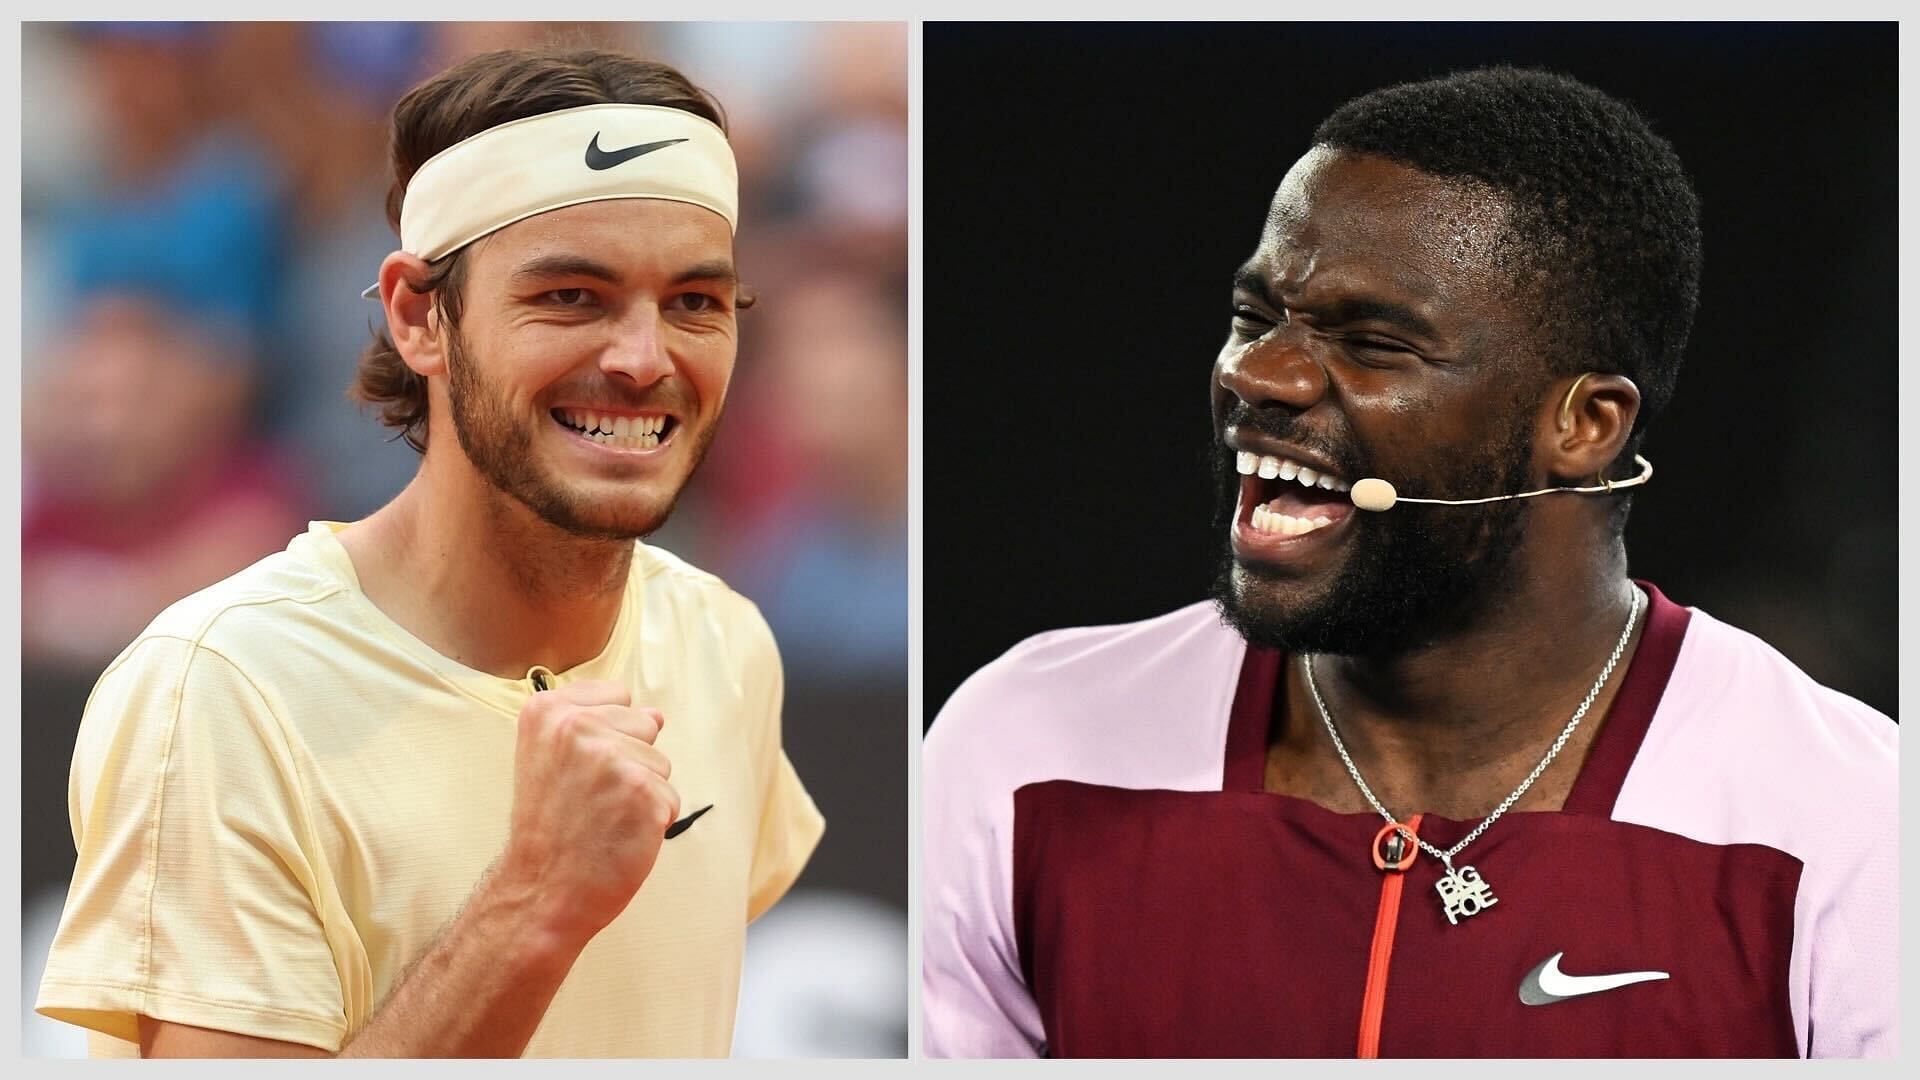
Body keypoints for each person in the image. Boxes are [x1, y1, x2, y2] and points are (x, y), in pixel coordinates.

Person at [922, 66, 1895, 1059]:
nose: (1256, 375)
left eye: (1373, 344)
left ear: (1587, 425)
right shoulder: (1024, 746)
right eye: (1257, 316)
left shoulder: (1852, 826)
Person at [36, 45, 824, 1058]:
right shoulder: (218, 689)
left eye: (695, 303)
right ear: (418, 315)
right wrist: (536, 900)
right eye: (570, 296)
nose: (643, 358)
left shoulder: (728, 641)